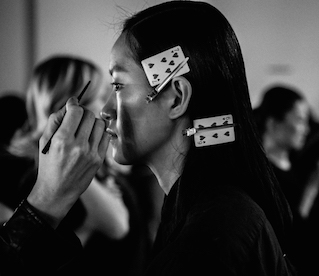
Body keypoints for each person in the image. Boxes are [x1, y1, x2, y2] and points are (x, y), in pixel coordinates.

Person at [0, 1, 296, 275]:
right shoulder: (204, 207)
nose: (104, 111)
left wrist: (45, 202)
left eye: (117, 86)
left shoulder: (209, 237)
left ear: (176, 98)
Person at [1, 56, 148, 274]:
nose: (107, 106)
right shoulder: (38, 179)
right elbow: (118, 225)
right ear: (74, 108)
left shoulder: (100, 166)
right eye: (99, 96)